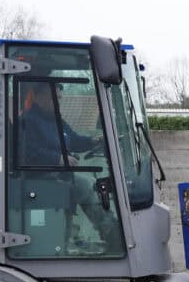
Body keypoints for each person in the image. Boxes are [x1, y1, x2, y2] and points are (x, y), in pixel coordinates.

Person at [18, 82, 119, 251]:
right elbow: (27, 152)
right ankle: (111, 235)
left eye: (60, 98)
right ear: (39, 97)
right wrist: (58, 159)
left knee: (87, 184)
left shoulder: (57, 121)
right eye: (55, 98)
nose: (59, 101)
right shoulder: (28, 121)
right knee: (86, 185)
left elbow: (74, 140)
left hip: (58, 177)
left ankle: (102, 233)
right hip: (38, 179)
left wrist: (94, 141)